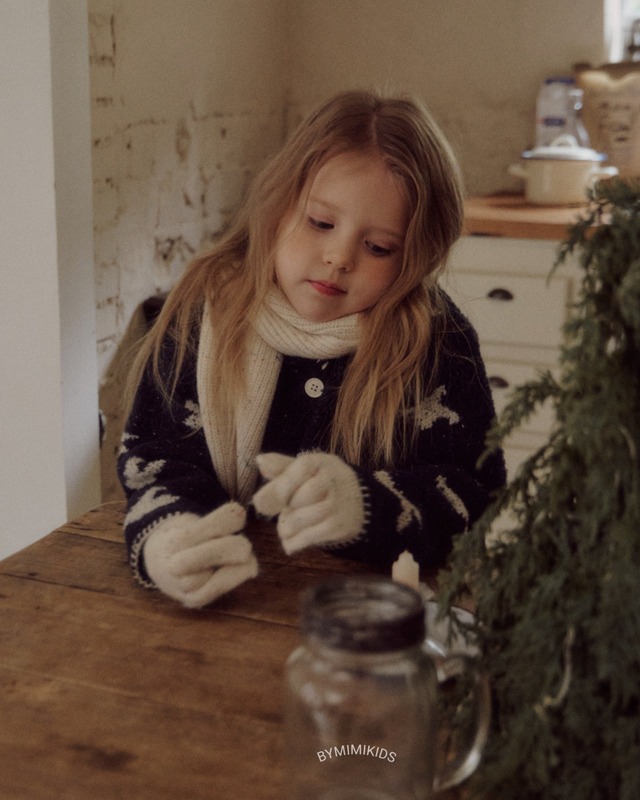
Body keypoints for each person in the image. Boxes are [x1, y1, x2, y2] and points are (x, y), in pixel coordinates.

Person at [117, 89, 506, 609]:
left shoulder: (437, 341)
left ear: (416, 259)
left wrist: (365, 505)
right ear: (277, 205)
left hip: (371, 615)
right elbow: (156, 455)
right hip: (230, 609)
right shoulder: (205, 309)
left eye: (379, 248)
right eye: (321, 223)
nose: (339, 257)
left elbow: (471, 492)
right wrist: (170, 538)